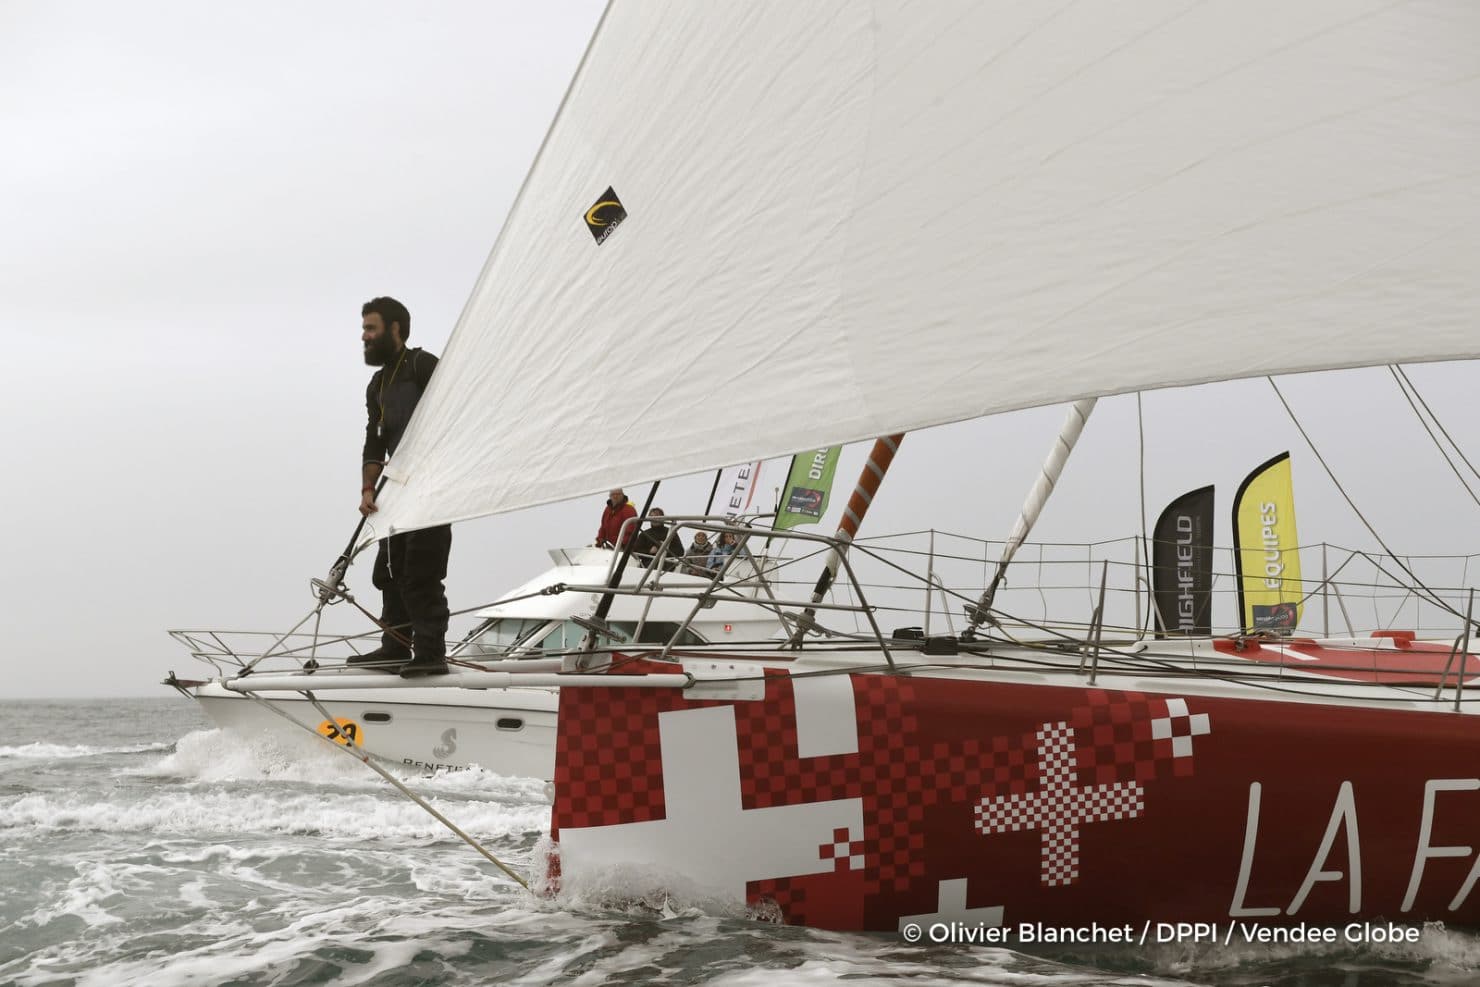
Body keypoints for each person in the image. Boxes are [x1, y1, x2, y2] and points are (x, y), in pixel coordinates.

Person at [352, 296, 452, 677]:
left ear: (395, 329)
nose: (364, 336)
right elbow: (374, 441)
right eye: (363, 329)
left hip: (431, 486)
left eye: (371, 328)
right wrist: (367, 490)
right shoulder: (377, 385)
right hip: (397, 489)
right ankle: (394, 646)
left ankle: (430, 652)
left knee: (420, 571)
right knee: (388, 571)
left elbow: (454, 414)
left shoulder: (422, 366)